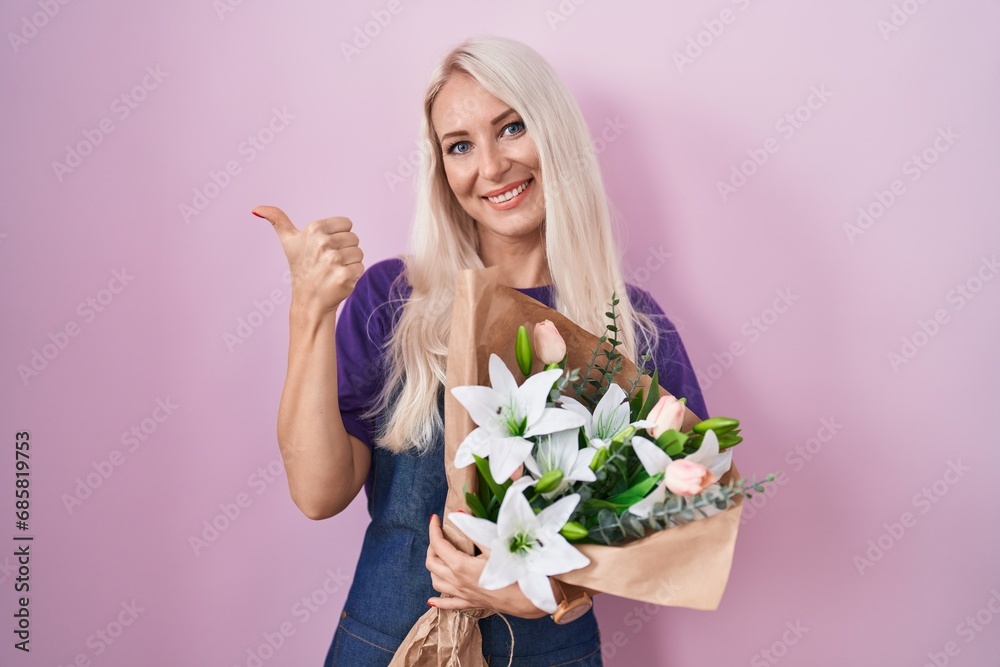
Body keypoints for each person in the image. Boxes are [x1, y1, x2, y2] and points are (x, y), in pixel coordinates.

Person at [253, 36, 708, 666]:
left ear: (556, 135)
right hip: (388, 645)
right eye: (459, 146)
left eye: (512, 127)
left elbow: (684, 520)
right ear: (440, 169)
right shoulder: (393, 300)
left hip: (551, 651)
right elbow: (317, 493)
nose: (491, 167)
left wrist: (548, 589)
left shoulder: (632, 328)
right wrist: (310, 310)